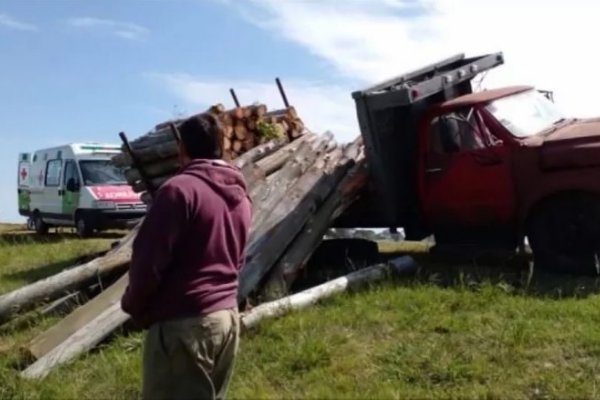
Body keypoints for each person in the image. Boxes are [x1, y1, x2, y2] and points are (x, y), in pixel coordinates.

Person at [120, 113, 252, 400]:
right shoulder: (241, 197)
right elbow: (238, 259)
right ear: (222, 146)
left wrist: (134, 305)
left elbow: (148, 263)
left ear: (182, 148)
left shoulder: (178, 191)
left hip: (184, 326)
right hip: (226, 320)